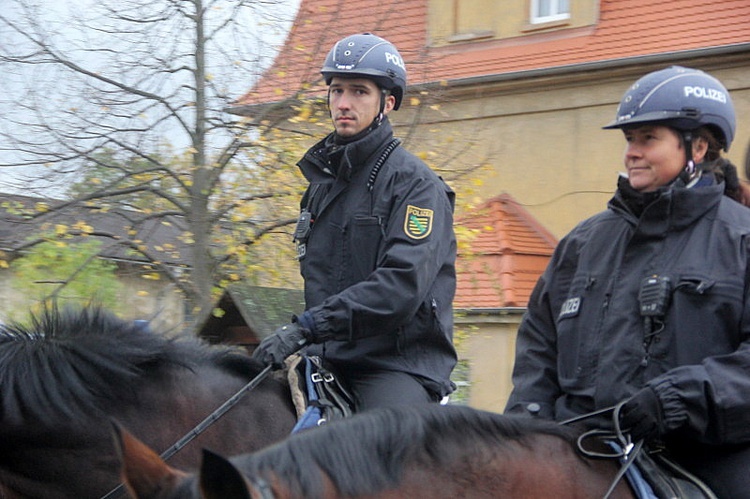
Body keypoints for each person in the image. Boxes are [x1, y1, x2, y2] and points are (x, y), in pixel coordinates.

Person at [504, 65, 750, 497]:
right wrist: (529, 421)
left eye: (648, 138)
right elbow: (539, 342)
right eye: (629, 139)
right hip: (580, 445)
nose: (631, 153)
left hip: (701, 451)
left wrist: (677, 399)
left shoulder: (742, 239)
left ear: (699, 146)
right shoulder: (582, 241)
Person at [252, 33, 458, 412]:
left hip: (395, 366)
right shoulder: (321, 187)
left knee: (378, 454)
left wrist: (309, 326)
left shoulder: (418, 188)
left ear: (388, 102)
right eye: (336, 91)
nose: (343, 103)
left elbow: (399, 287)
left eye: (359, 92)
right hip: (324, 357)